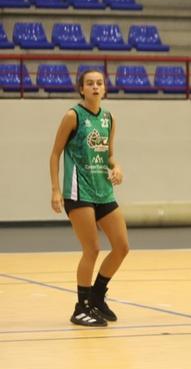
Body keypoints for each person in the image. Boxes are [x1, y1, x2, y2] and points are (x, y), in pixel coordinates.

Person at [49, 69, 130, 327]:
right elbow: (54, 154)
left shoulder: (109, 118)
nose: (95, 87)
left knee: (122, 247)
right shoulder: (73, 116)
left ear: (105, 89)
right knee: (92, 249)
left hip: (103, 189)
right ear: (81, 89)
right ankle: (81, 307)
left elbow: (109, 155)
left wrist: (116, 168)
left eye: (99, 83)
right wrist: (55, 189)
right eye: (90, 83)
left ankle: (97, 295)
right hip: (78, 191)